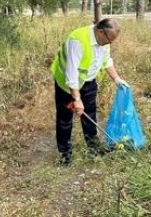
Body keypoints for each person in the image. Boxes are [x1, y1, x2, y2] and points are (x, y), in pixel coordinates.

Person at [50, 18, 129, 165]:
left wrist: (117, 79)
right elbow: (72, 73)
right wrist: (77, 99)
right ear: (100, 31)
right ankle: (65, 153)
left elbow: (106, 61)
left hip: (89, 82)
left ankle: (93, 147)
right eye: (109, 40)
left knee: (90, 114)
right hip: (67, 86)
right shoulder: (78, 41)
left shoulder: (104, 40)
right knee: (65, 118)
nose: (110, 44)